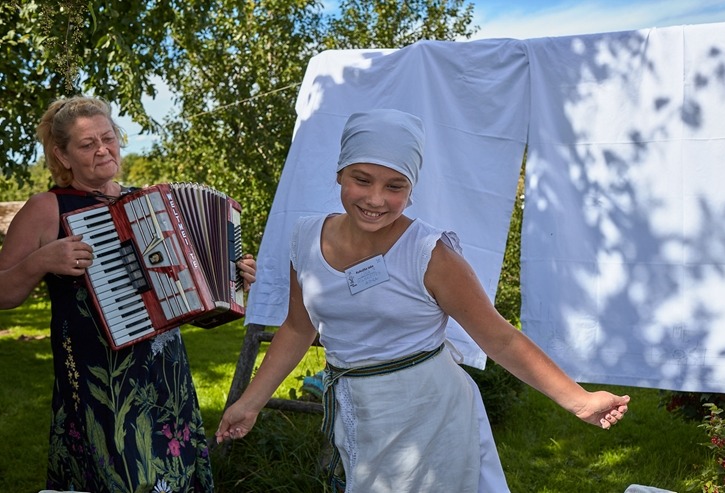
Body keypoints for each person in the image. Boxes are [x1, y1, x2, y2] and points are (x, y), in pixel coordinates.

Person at [216, 109, 630, 492]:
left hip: (432, 415)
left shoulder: (429, 253)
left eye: (394, 186)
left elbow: (500, 339)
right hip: (358, 409)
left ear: (411, 188)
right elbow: (298, 327)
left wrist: (579, 401)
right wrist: (249, 403)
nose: (376, 199)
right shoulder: (305, 239)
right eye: (362, 180)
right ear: (340, 174)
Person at [0, 95, 257, 493]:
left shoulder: (149, 205)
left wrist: (232, 275)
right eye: (87, 145)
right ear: (62, 156)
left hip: (165, 374)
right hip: (97, 380)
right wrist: (40, 261)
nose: (103, 149)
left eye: (109, 138)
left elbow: (185, 289)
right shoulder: (46, 208)